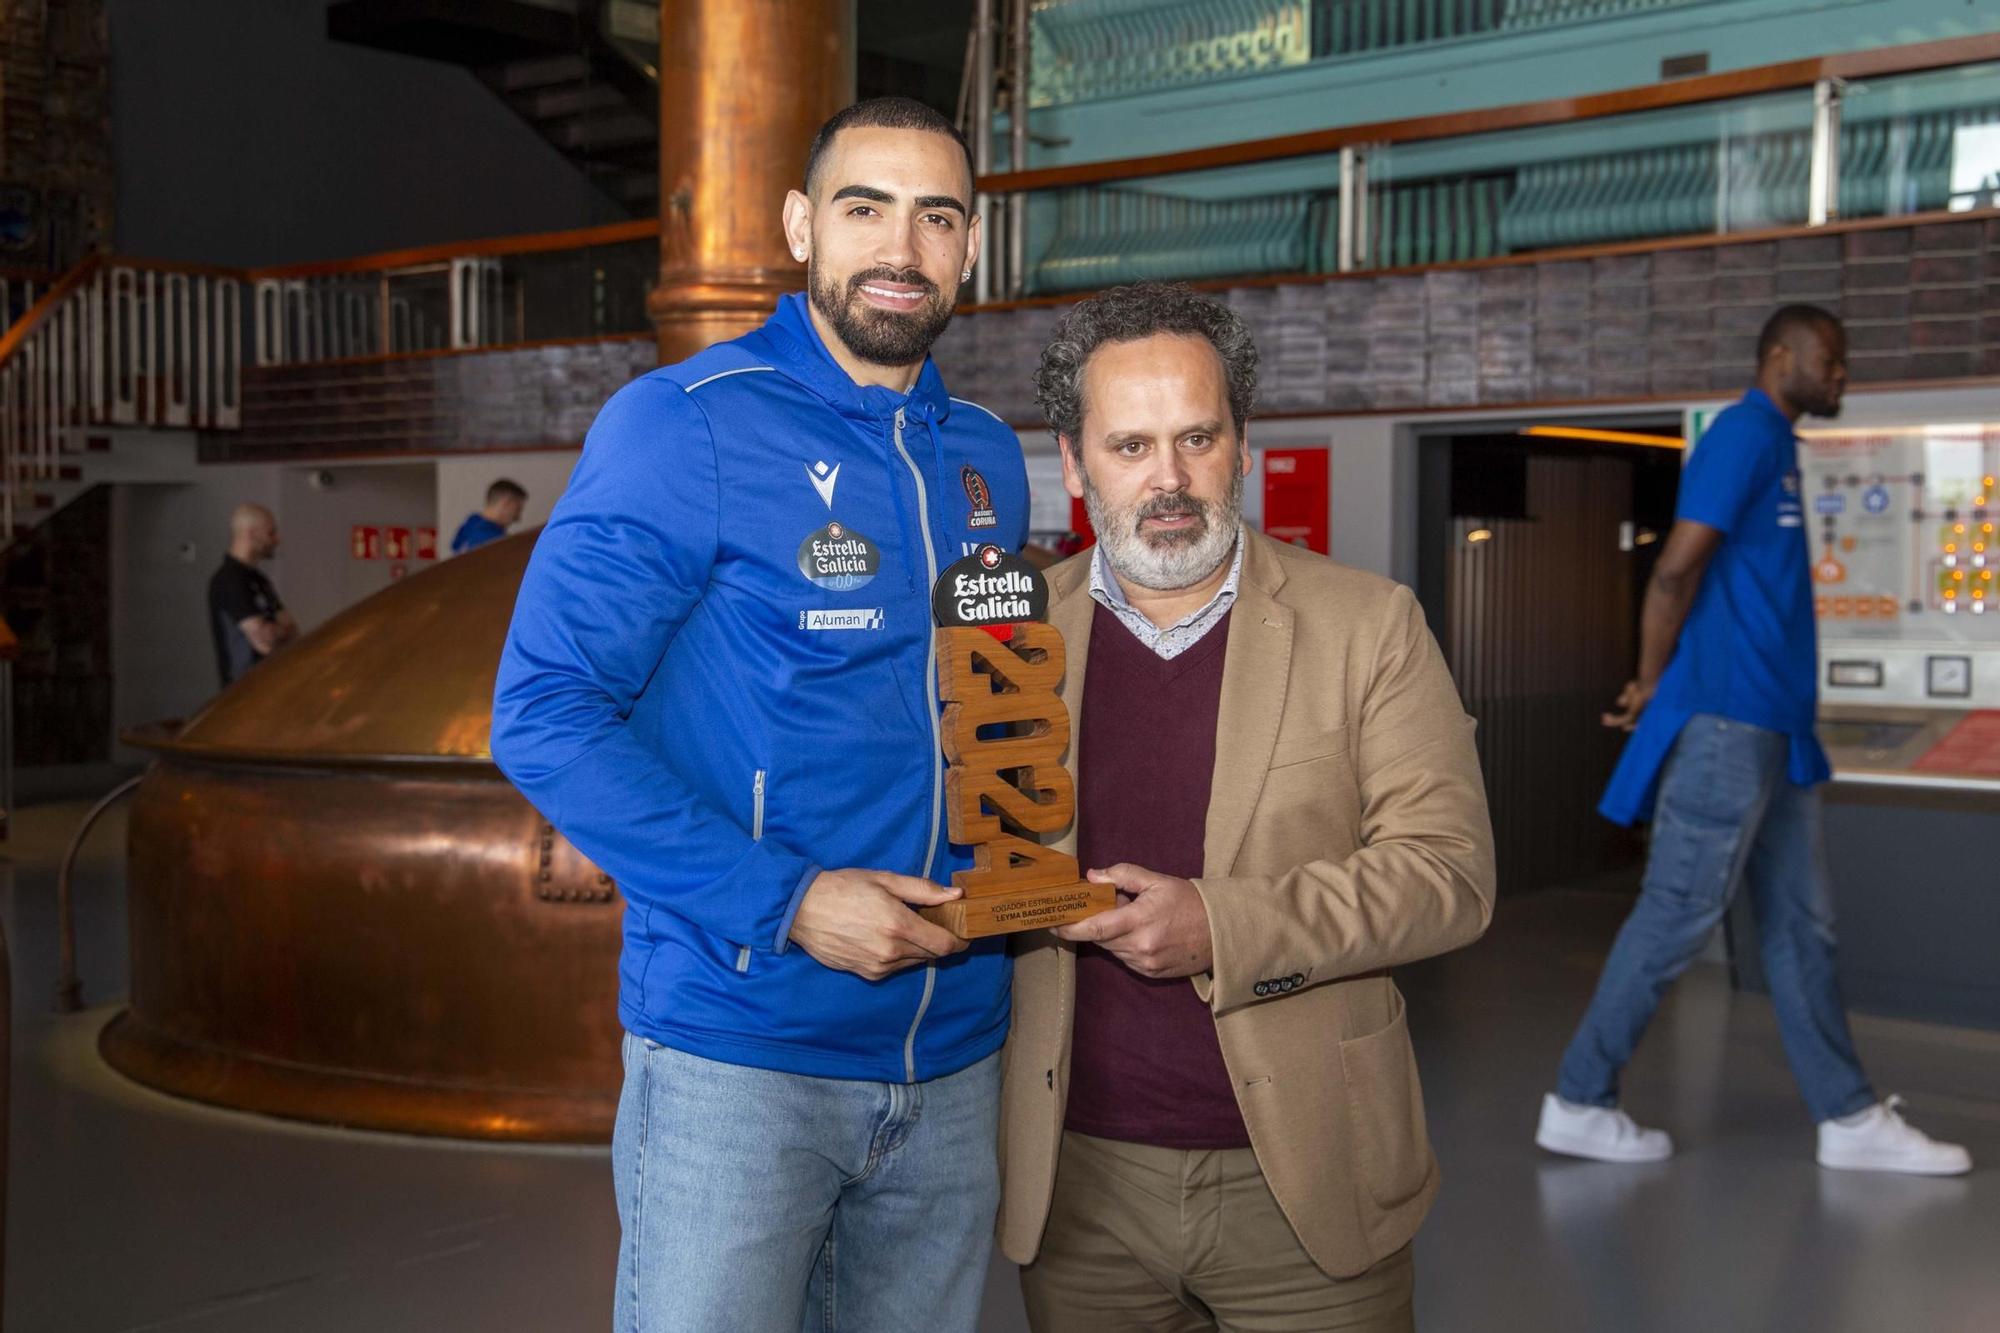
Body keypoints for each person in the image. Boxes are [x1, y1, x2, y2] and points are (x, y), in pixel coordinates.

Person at [491, 97, 1027, 1332]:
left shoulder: (986, 455)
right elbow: (541, 710)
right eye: (864, 207)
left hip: (953, 1058)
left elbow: (987, 706)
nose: (902, 246)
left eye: (936, 216)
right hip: (744, 1055)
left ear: (970, 249)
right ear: (799, 226)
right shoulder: (685, 424)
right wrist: (784, 902)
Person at [997, 282, 1497, 1332]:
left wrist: (1220, 926)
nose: (1167, 480)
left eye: (1196, 438)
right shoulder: (1009, 642)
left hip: (1309, 1180)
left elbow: (1449, 873)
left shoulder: (1369, 625)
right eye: (1129, 446)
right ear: (1072, 461)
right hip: (1074, 1185)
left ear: (1243, 444)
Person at [1536, 305, 1971, 1175]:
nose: (1843, 374)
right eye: (1833, 360)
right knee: (1678, 911)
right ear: (1783, 357)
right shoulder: (1744, 434)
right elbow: (1676, 566)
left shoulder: (1776, 443)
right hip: (1729, 720)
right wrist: (1653, 676)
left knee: (1804, 924)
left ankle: (1847, 1118)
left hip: (1773, 725)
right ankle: (1580, 1097)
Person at [207, 502, 296, 687]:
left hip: (270, 685)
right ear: (251, 533)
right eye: (271, 533)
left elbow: (293, 631)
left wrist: (275, 631)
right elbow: (264, 641)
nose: (277, 539)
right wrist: (278, 631)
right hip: (243, 691)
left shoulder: (259, 580)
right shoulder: (229, 580)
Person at [450, 478, 527, 553]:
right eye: (517, 510)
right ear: (506, 503)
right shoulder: (494, 540)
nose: (518, 518)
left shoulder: (469, 527)